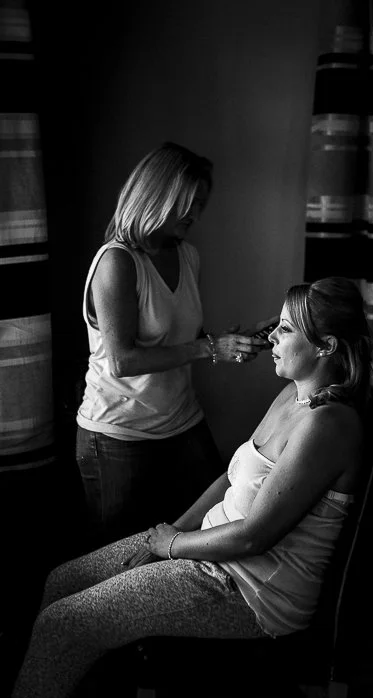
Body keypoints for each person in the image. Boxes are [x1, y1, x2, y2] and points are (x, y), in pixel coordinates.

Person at [4, 277, 373, 698]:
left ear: (326, 346)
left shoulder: (328, 424)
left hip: (247, 589)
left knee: (59, 624)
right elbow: (228, 477)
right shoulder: (291, 396)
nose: (272, 335)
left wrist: (169, 547)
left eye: (287, 329)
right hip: (210, 551)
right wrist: (173, 531)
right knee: (61, 582)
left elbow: (254, 537)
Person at [76, 141, 271, 547]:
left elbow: (182, 341)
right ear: (158, 197)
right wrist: (210, 348)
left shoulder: (188, 255)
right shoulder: (117, 262)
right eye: (189, 203)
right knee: (124, 556)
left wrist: (235, 340)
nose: (196, 215)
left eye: (201, 203)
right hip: (119, 434)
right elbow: (123, 361)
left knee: (214, 527)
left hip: (182, 422)